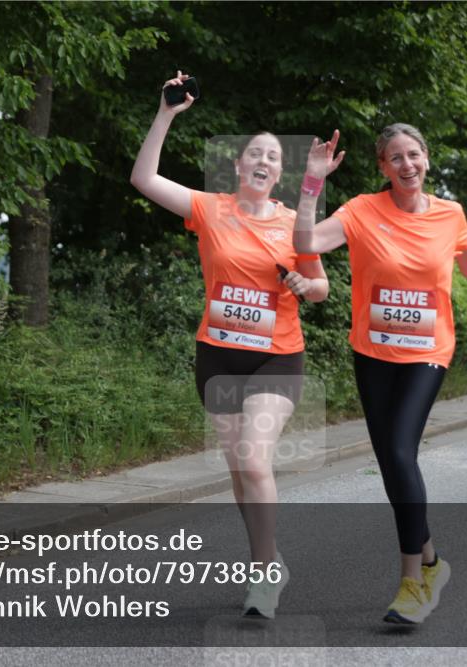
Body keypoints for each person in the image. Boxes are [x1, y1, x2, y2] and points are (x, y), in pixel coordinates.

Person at [293, 123, 467, 625]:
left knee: (398, 452)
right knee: (394, 466)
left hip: (427, 351)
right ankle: (434, 562)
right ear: (382, 168)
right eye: (395, 158)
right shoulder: (361, 211)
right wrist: (312, 182)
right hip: (372, 351)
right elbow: (306, 241)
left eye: (413, 155)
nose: (406, 165)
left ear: (427, 159)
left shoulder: (449, 214)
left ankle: (412, 584)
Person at [130, 72, 329, 618]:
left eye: (273, 157)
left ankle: (264, 575)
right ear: (239, 166)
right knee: (239, 469)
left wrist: (302, 283)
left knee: (254, 459)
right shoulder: (210, 209)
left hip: (277, 356)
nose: (263, 161)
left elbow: (321, 289)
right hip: (216, 356)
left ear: (278, 173)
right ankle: (266, 559)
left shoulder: (295, 224)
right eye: (254, 155)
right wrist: (167, 113)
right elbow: (144, 178)